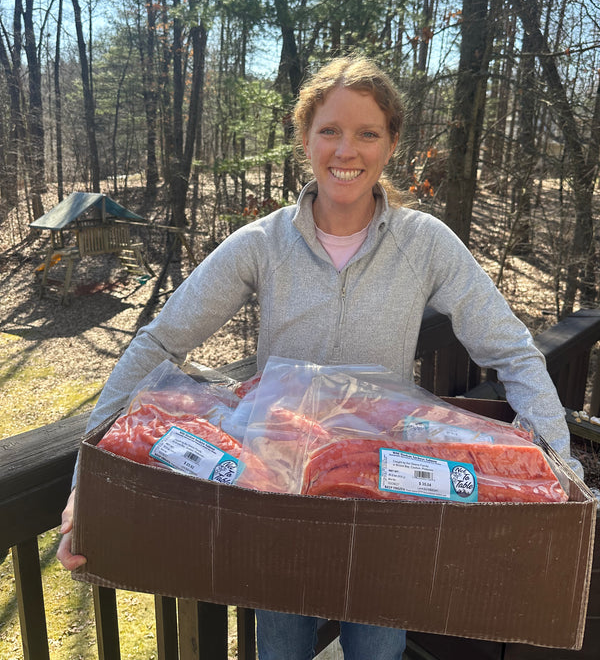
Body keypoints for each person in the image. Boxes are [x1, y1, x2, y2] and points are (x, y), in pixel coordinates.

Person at [57, 54, 583, 659]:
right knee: (281, 648)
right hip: (275, 492)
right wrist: (85, 487)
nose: (346, 150)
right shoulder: (262, 243)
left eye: (367, 133)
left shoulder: (425, 243)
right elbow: (159, 342)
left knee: (377, 648)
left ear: (390, 145)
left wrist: (561, 474)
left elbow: (513, 352)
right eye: (329, 130)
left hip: (384, 492)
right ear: (304, 136)